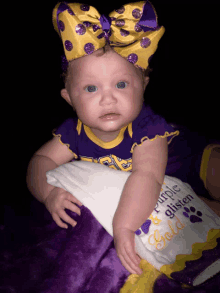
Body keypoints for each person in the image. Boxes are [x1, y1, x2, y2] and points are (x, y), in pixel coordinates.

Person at [26, 1, 220, 277]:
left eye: (121, 84)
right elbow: (39, 161)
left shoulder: (147, 128)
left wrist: (124, 226)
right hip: (168, 192)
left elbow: (146, 177)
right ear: (69, 99)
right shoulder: (73, 132)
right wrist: (49, 193)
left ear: (142, 86)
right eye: (91, 88)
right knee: (196, 214)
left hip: (187, 159)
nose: (108, 98)